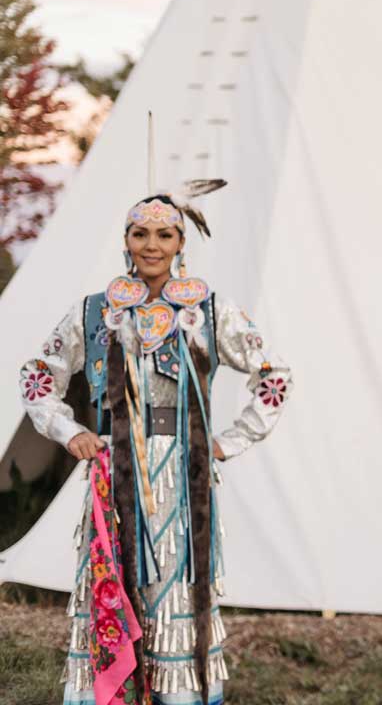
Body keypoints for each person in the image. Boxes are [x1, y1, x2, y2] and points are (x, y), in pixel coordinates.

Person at [18, 184, 292, 705]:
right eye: (140, 233)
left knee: (173, 591)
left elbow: (273, 375)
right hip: (111, 472)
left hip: (181, 476)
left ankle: (175, 694)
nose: (152, 245)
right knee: (111, 578)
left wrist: (230, 441)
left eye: (164, 234)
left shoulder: (207, 312)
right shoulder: (96, 312)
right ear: (125, 240)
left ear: (181, 243)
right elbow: (38, 375)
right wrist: (69, 430)